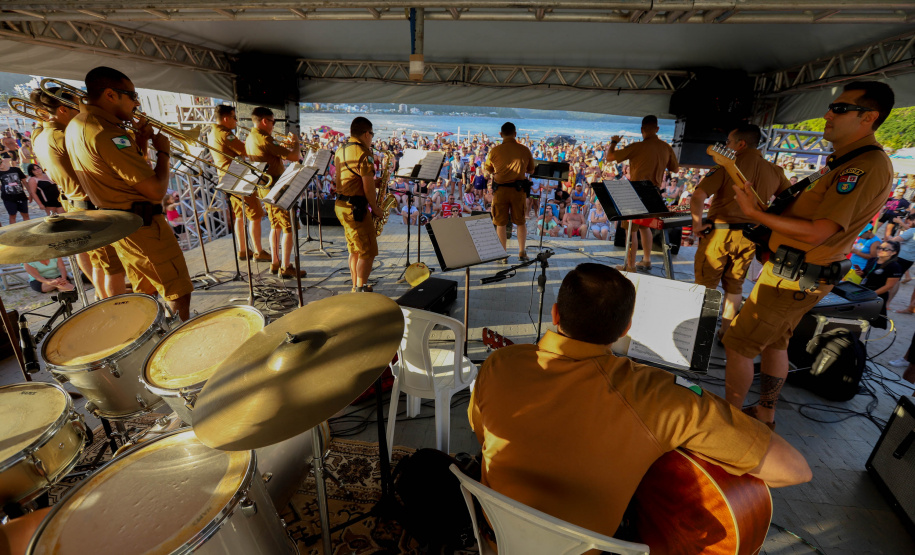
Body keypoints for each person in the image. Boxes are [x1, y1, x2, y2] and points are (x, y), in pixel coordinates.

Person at [469, 263, 812, 543]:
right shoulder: (662, 397)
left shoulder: (501, 362)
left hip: (495, 530)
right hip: (581, 550)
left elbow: (481, 434)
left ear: (556, 315)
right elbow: (795, 470)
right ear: (626, 329)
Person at [725, 80, 895, 428]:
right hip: (796, 271)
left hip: (794, 276)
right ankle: (765, 413)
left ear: (869, 117)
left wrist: (756, 215)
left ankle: (727, 424)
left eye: (841, 108)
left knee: (739, 345)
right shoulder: (846, 161)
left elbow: (821, 230)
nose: (827, 114)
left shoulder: (862, 167)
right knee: (776, 343)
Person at [66, 66, 193, 320]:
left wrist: (143, 143)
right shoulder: (107, 132)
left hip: (123, 223)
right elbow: (156, 191)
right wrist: (164, 152)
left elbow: (120, 173)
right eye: (132, 96)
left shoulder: (77, 125)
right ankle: (180, 345)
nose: (136, 103)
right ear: (111, 95)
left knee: (145, 292)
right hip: (144, 226)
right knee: (177, 292)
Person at [691, 124, 791, 340]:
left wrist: (697, 224)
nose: (726, 146)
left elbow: (699, 195)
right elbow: (788, 201)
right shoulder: (775, 171)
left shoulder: (728, 166)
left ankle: (700, 337)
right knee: (735, 286)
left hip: (720, 234)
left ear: (741, 144)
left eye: (729, 142)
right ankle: (726, 332)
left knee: (707, 286)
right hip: (750, 237)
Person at [30, 85, 126, 299]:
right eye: (76, 108)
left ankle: (104, 298)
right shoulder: (63, 136)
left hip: (73, 204)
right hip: (90, 207)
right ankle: (117, 306)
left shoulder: (41, 136)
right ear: (63, 110)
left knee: (98, 261)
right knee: (113, 267)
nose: (81, 112)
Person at [605, 116, 679, 271]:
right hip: (655, 193)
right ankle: (646, 260)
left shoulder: (637, 147)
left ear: (642, 130)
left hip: (637, 192)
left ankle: (630, 265)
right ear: (657, 129)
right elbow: (675, 169)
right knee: (645, 227)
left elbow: (610, 157)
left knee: (630, 229)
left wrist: (614, 142)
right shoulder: (666, 147)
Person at [245, 106, 303, 279]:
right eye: (273, 122)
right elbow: (293, 157)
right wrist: (297, 144)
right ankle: (286, 267)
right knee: (289, 227)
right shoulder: (265, 139)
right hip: (276, 186)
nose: (273, 125)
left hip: (264, 187)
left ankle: (275, 262)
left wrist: (283, 148)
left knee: (275, 225)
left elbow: (274, 154)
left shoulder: (250, 137)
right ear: (264, 121)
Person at [208, 105, 270, 262]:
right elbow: (245, 150)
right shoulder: (224, 133)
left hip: (228, 179)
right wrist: (254, 139)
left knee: (240, 215)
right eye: (234, 118)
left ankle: (243, 250)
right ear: (226, 119)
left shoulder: (213, 133)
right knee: (256, 214)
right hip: (237, 179)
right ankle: (258, 251)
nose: (236, 121)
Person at [334, 117, 381, 293]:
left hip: (342, 204)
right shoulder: (364, 153)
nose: (372, 138)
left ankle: (356, 285)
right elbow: (368, 190)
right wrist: (376, 209)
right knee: (368, 251)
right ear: (367, 133)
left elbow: (351, 179)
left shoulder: (341, 149)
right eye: (372, 134)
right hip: (356, 208)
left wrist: (375, 183)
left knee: (354, 249)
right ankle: (360, 290)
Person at [484, 122, 535, 261]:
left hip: (500, 191)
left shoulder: (494, 151)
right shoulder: (524, 150)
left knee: (500, 223)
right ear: (515, 134)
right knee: (520, 222)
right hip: (518, 191)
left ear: (500, 134)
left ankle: (503, 254)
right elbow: (531, 170)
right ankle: (522, 251)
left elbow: (488, 169)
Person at [855, 240, 901, 327]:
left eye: (885, 249)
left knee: (868, 322)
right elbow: (866, 275)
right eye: (879, 247)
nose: (881, 250)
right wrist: (861, 274)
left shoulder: (894, 266)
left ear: (894, 252)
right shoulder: (872, 260)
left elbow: (889, 286)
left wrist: (873, 294)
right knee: (857, 318)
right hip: (864, 291)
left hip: (877, 295)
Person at [0, 156, 30, 224]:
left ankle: (28, 230)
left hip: (21, 195)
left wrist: (30, 193)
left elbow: (25, 182)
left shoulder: (16, 169)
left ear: (2, 160)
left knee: (25, 214)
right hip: (8, 197)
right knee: (12, 215)